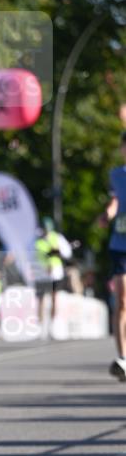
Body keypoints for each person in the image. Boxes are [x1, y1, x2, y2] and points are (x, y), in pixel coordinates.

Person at [99, 131, 126, 381]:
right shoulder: (116, 175)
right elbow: (115, 201)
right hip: (120, 244)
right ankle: (123, 358)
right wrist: (107, 214)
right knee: (122, 300)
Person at [34, 217, 72, 332]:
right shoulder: (37, 240)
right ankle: (40, 325)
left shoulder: (58, 238)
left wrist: (58, 250)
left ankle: (52, 324)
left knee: (54, 298)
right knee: (41, 299)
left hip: (55, 273)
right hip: (42, 273)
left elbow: (67, 252)